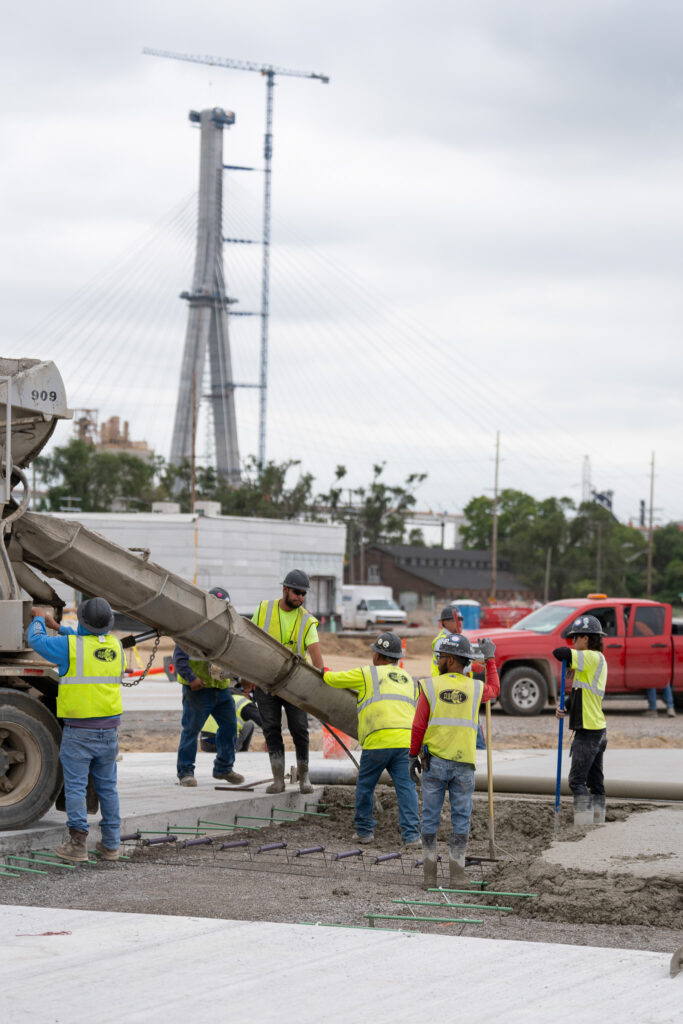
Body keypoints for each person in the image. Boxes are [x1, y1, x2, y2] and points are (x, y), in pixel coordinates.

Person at [27, 598, 125, 863]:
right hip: (109, 732)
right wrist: (58, 626)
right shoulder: (116, 646)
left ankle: (77, 846)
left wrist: (38, 618)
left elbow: (36, 641)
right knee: (108, 788)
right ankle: (111, 845)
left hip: (80, 732)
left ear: (81, 621)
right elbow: (88, 643)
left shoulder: (69, 648)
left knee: (76, 788)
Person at [410, 633, 500, 889]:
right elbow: (495, 689)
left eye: (440, 657)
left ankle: (429, 876)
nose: (437, 660)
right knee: (461, 817)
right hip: (464, 766)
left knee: (429, 817)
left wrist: (411, 755)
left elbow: (418, 726)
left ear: (450, 660)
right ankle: (457, 875)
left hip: (434, 763)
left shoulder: (430, 686)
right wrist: (490, 658)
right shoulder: (475, 688)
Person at [323, 631, 421, 849]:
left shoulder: (369, 674)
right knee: (406, 788)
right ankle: (412, 836)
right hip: (405, 741)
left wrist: (325, 671)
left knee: (366, 786)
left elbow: (332, 680)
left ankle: (365, 832)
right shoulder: (407, 678)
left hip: (378, 741)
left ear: (378, 655)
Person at [252, 569, 324, 794]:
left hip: (294, 684)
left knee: (299, 729)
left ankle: (304, 777)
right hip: (265, 681)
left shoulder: (306, 620)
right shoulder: (264, 609)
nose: (301, 597)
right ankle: (278, 780)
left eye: (304, 594)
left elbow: (315, 655)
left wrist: (320, 678)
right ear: (285, 589)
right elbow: (251, 640)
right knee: (271, 728)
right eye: (297, 593)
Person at [175, 586, 244, 787]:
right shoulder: (192, 629)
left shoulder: (227, 631)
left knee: (230, 726)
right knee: (191, 730)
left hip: (220, 689)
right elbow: (180, 659)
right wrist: (191, 679)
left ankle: (224, 768)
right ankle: (185, 772)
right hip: (197, 690)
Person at [552, 613, 608, 826]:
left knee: (576, 781)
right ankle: (598, 822)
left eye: (575, 638)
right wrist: (564, 705)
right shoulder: (592, 662)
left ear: (586, 638)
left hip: (588, 732)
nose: (573, 642)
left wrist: (570, 655)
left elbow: (560, 652)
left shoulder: (592, 657)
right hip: (597, 728)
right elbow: (580, 693)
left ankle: (583, 827)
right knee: (595, 781)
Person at [433, 606, 486, 751]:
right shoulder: (443, 642)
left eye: (461, 619)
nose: (460, 622)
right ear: (445, 622)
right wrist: (472, 667)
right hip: (445, 688)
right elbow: (450, 665)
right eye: (457, 619)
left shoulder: (456, 639)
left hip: (460, 686)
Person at [201, 684, 263, 753]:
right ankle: (241, 752)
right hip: (225, 746)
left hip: (205, 745)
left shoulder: (218, 696)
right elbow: (262, 722)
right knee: (249, 724)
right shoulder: (243, 701)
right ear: (245, 693)